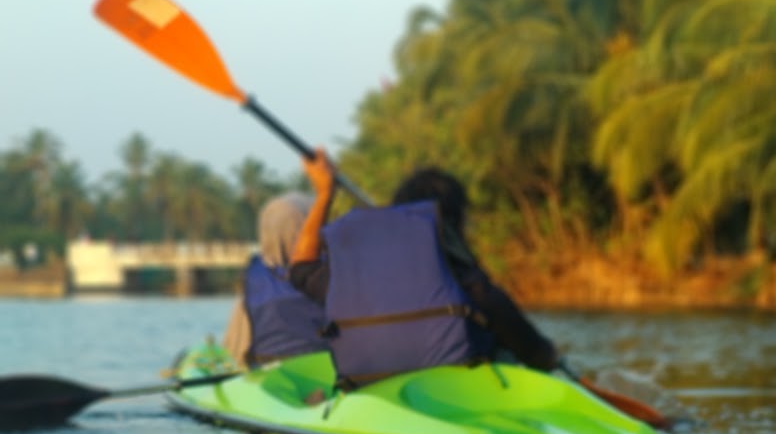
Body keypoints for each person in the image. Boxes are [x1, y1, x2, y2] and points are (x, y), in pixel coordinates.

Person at [288, 150, 560, 385]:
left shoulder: (351, 279)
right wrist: (549, 358)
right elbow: (528, 345)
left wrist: (325, 194)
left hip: (372, 394)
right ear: (452, 223)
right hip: (459, 393)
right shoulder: (465, 280)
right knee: (503, 350)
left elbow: (300, 267)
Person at [223, 193, 324, 368]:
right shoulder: (334, 273)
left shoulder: (255, 281)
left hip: (268, 375)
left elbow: (235, 349)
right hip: (327, 373)